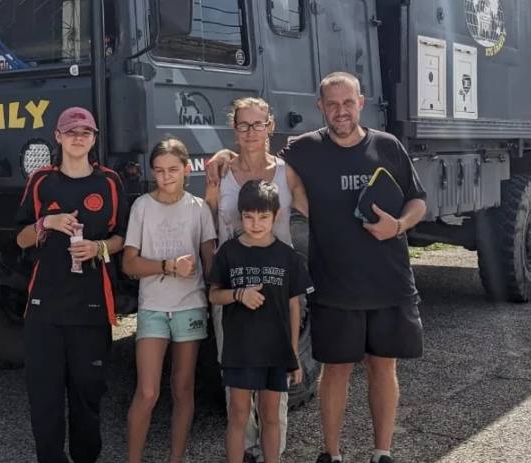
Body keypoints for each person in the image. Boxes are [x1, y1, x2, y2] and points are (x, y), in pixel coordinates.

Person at [207, 72, 428, 463]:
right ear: (320, 107)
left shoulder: (388, 146)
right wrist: (224, 155)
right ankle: (332, 454)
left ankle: (382, 453)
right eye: (332, 104)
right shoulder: (305, 149)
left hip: (388, 279)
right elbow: (257, 152)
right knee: (335, 369)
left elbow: (418, 201)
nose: (341, 111)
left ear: (361, 103)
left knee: (382, 365)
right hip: (334, 283)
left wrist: (399, 225)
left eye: (348, 103)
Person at [15, 106, 128, 463]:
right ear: (58, 137)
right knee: (45, 400)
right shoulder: (41, 181)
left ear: (94, 139)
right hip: (44, 309)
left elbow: (122, 238)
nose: (78, 138)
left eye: (85, 132)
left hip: (91, 307)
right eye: (71, 132)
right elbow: (19, 238)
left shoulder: (109, 182)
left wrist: (98, 248)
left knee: (88, 395)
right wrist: (46, 223)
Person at [204, 96, 308, 463]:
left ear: (270, 127)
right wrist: (212, 276)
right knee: (234, 375)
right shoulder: (220, 172)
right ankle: (245, 449)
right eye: (243, 125)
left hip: (277, 286)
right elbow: (207, 224)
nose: (251, 132)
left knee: (274, 381)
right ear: (234, 129)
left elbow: (312, 213)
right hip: (233, 284)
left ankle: (270, 451)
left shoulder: (286, 173)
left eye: (258, 124)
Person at [123, 138, 217, 463]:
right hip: (153, 307)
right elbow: (129, 264)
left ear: (187, 169)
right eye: (159, 170)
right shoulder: (142, 207)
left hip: (190, 305)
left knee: (183, 388)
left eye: (173, 170)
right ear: (152, 172)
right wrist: (167, 267)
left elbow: (210, 262)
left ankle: (176, 458)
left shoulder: (199, 208)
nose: (166, 177)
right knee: (148, 391)